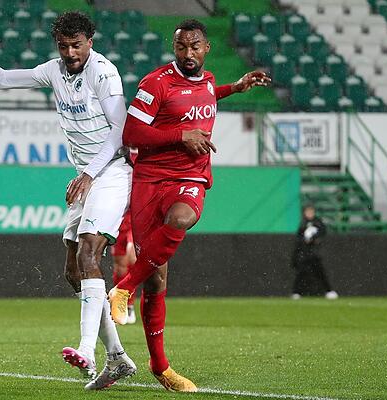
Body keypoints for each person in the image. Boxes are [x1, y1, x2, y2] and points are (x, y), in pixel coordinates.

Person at [0, 11, 136, 390]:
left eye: (76, 45)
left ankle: (87, 348)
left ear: (90, 41)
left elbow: (120, 131)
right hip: (87, 176)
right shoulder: (53, 71)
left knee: (89, 254)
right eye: (64, 45)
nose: (69, 52)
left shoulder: (105, 73)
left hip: (112, 171)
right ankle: (117, 357)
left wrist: (88, 174)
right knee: (74, 272)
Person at [107, 19, 271, 392]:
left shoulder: (209, 81)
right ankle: (161, 366)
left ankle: (123, 287)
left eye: (195, 46)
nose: (188, 53)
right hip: (150, 181)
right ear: (174, 48)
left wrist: (237, 87)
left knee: (183, 218)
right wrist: (181, 135)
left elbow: (209, 93)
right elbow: (132, 134)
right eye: (181, 47)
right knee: (158, 276)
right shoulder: (156, 83)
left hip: (190, 178)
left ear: (206, 47)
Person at [291, 205, 338, 300]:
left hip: (315, 254)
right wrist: (304, 243)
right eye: (308, 212)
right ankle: (296, 292)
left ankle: (329, 291)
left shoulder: (318, 223)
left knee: (320, 272)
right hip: (305, 254)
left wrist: (314, 239)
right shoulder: (303, 224)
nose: (309, 213)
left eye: (311, 211)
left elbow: (322, 233)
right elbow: (299, 239)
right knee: (301, 273)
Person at [111, 212, 137, 324]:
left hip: (137, 220)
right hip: (119, 223)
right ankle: (118, 303)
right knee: (120, 267)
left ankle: (130, 305)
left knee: (133, 258)